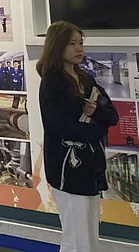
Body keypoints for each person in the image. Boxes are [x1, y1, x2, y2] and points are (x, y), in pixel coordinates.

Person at [38, 21, 119, 252]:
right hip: (67, 167)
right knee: (75, 235)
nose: (79, 48)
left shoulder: (86, 79)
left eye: (81, 43)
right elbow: (59, 126)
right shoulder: (52, 83)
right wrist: (97, 131)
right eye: (72, 44)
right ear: (58, 46)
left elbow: (111, 115)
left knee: (90, 233)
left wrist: (97, 113)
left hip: (91, 167)